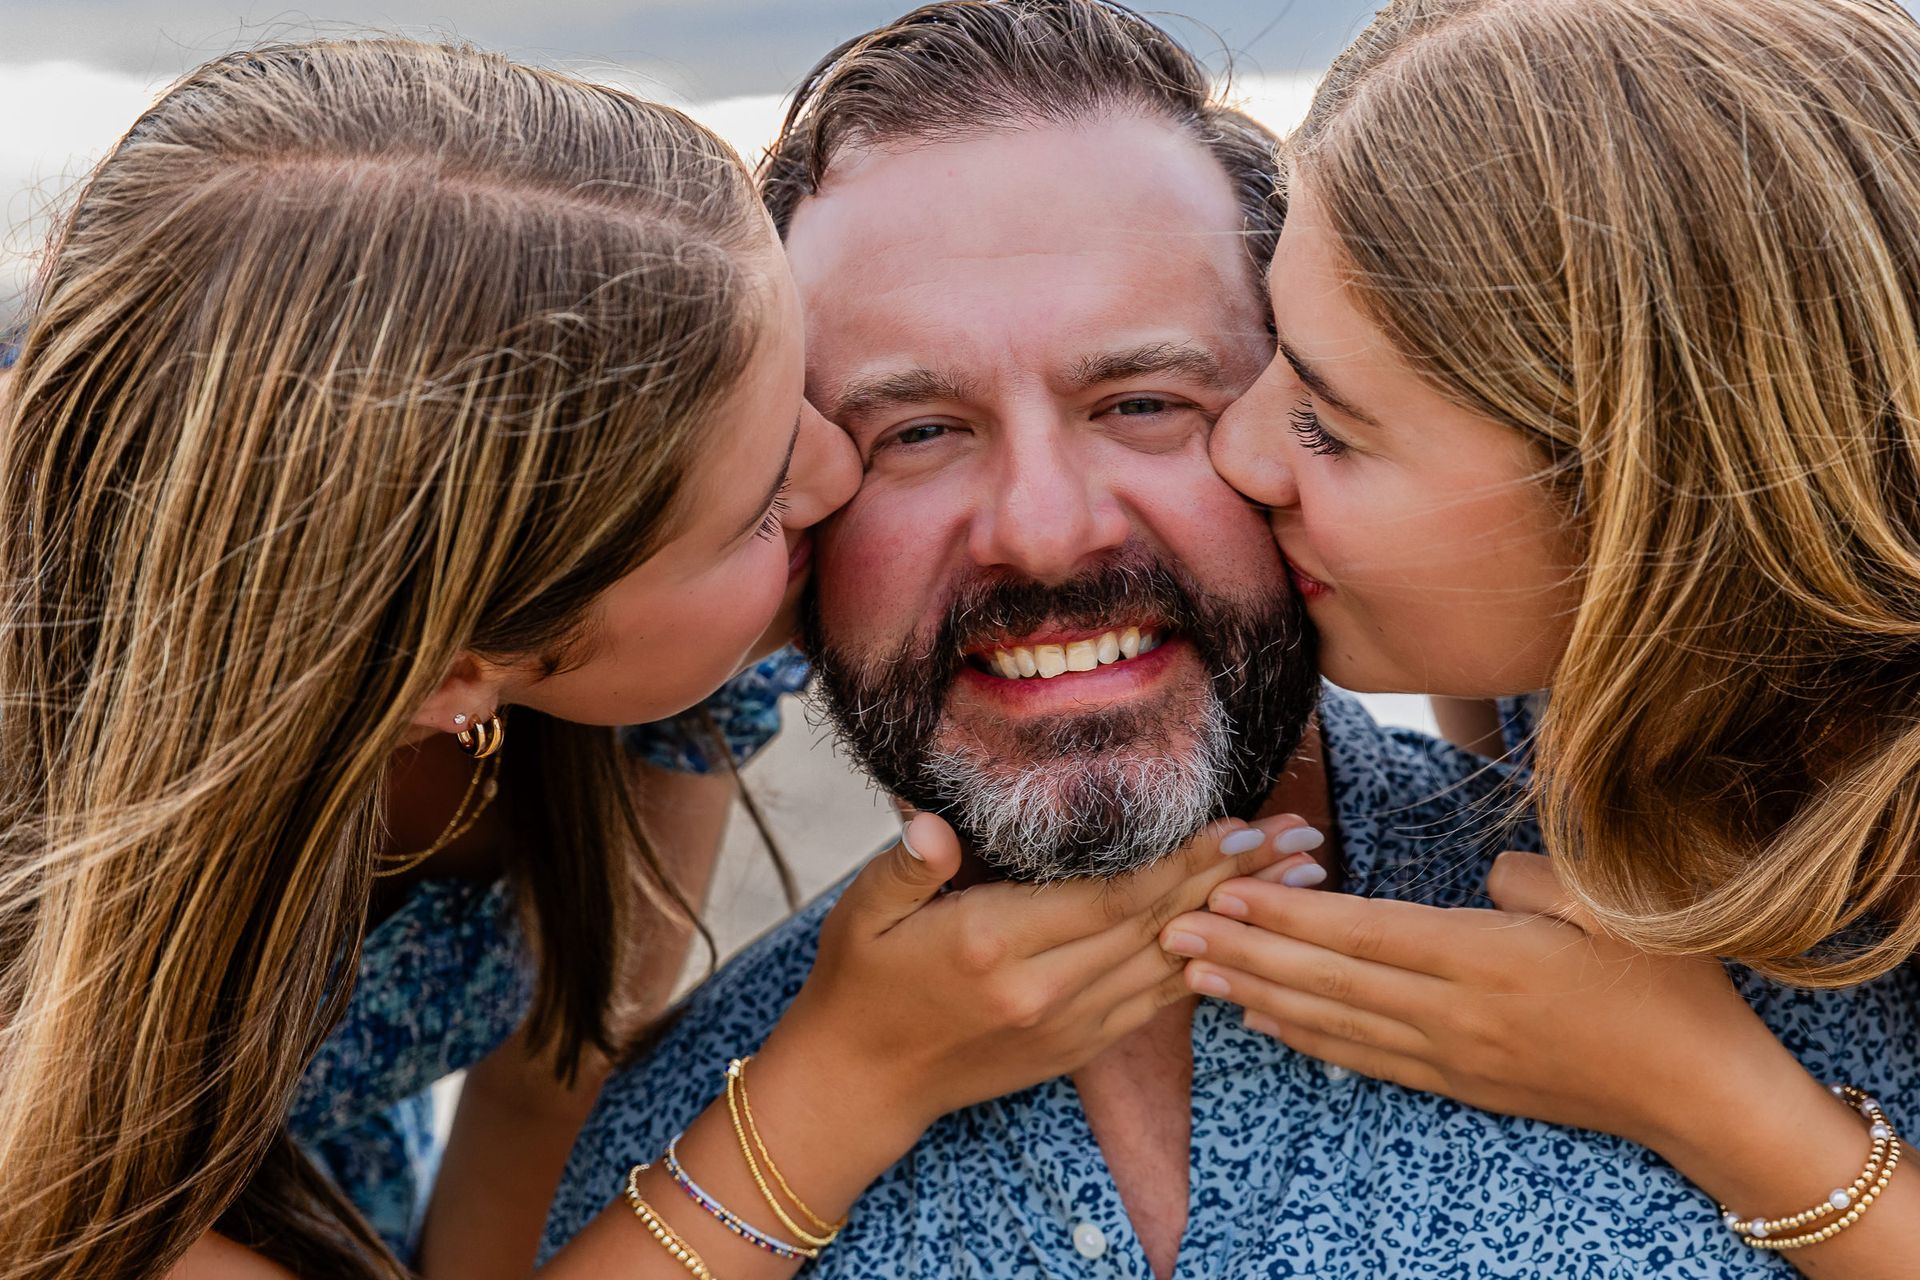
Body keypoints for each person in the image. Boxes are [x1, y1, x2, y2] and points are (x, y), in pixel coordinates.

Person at [541, 3, 1920, 1276]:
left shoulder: (1787, 926)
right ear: (787, 516)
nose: (1044, 530)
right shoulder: (688, 1169)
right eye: (918, 431)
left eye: (1147, 400)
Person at [0, 38, 1290, 1280]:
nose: (838, 472)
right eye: (758, 511)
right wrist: (850, 1077)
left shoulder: (659, 677)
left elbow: (544, 1079)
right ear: (450, 671)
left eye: (801, 396)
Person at [1182, 0, 1920, 1276]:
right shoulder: (1559, 673)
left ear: (1656, 494)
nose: (1236, 451)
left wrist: (1713, 1097)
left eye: (1328, 425)